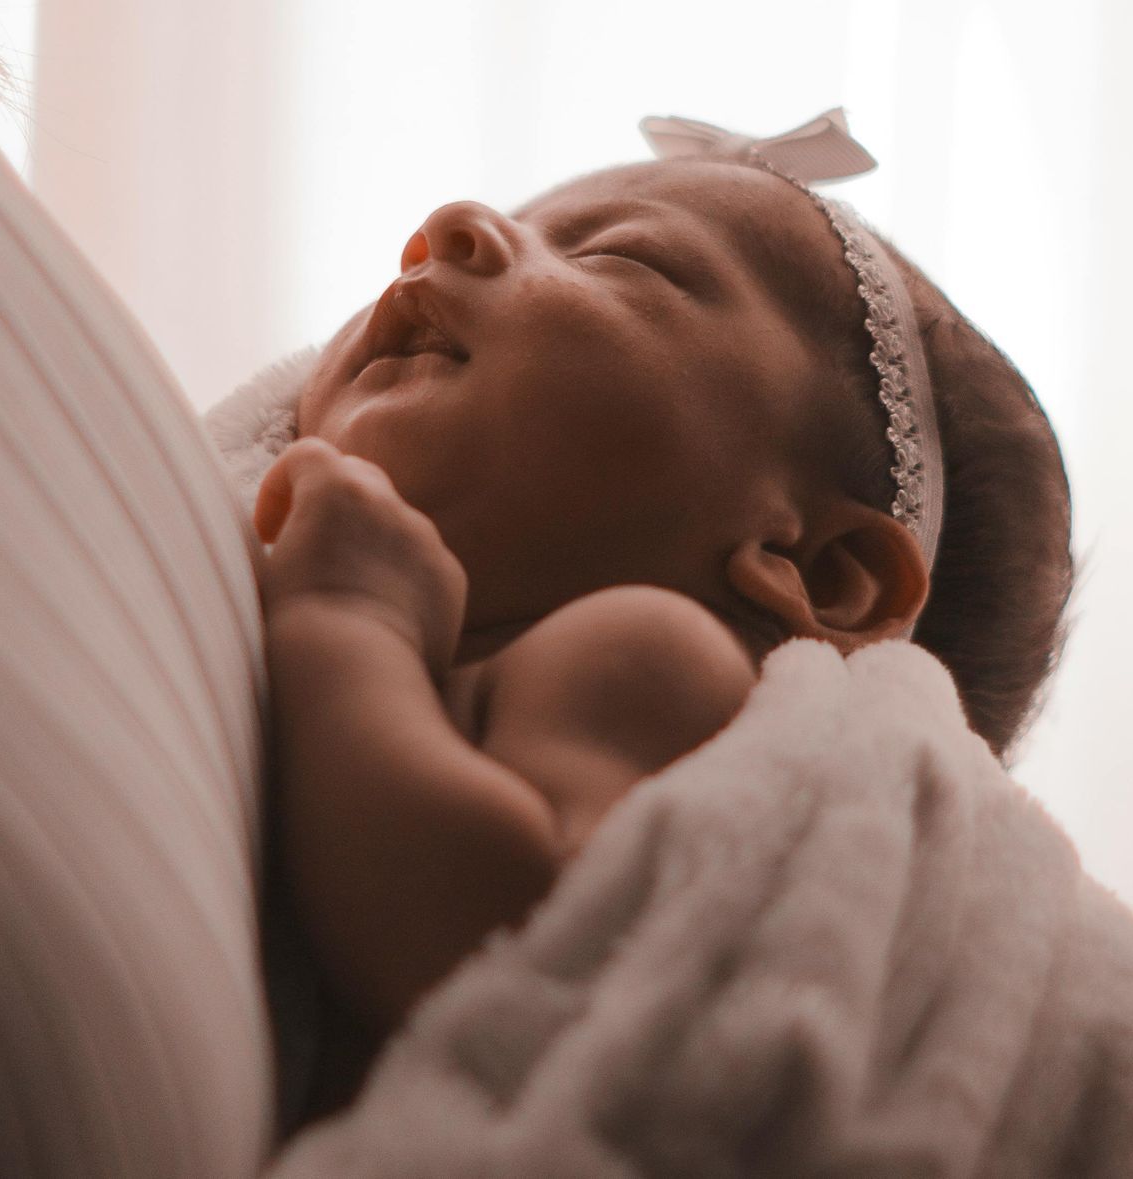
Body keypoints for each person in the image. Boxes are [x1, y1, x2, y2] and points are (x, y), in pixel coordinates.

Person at [251, 113, 1076, 1123]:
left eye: (617, 257)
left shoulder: (645, 654)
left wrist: (347, 619)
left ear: (822, 571)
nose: (449, 230)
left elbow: (493, 954)